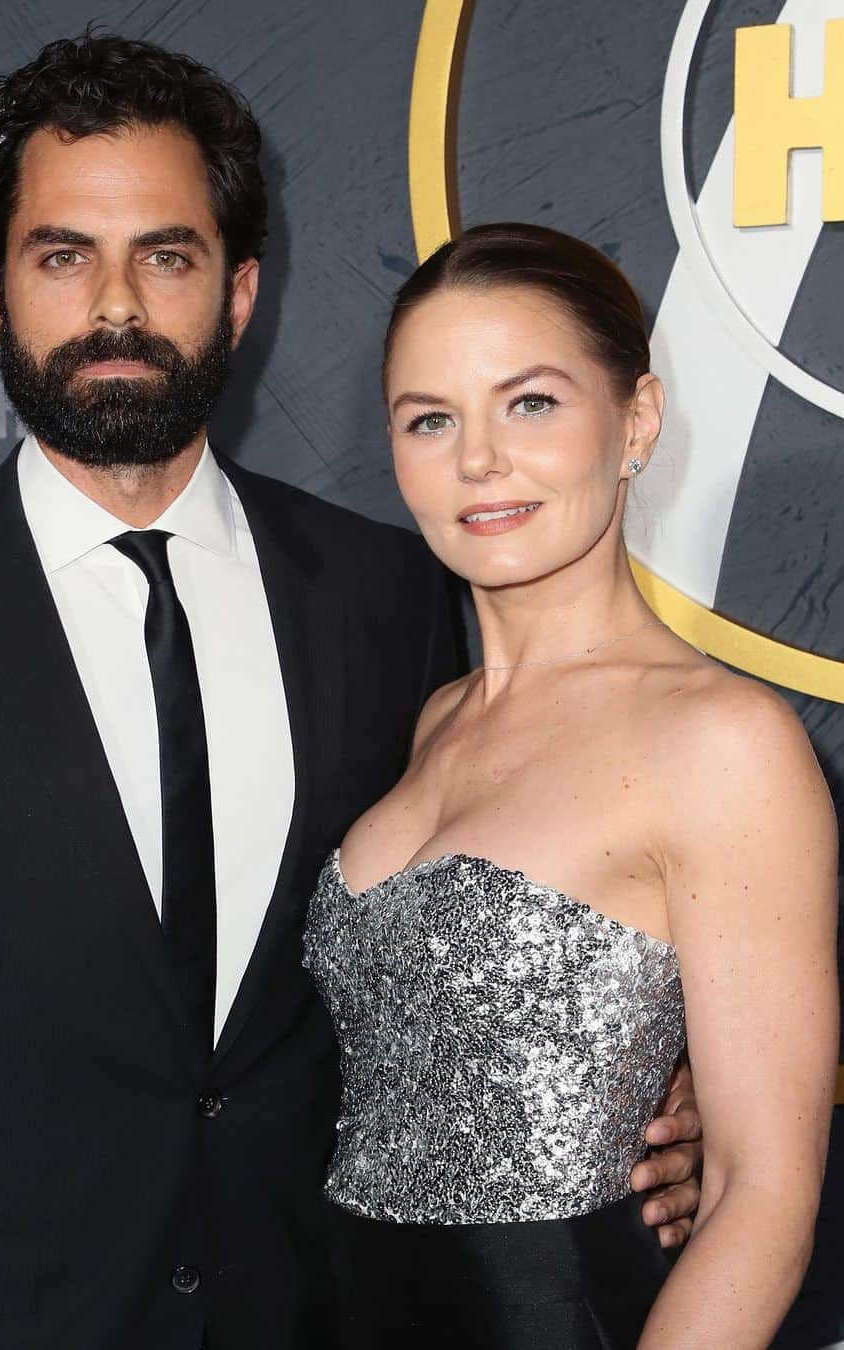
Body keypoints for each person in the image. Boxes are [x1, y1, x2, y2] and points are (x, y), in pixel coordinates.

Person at [0, 36, 701, 1350]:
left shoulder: (393, 598)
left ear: (241, 291)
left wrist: (677, 1077)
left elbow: (534, 898)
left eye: (168, 253)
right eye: (60, 255)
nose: (115, 305)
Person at [303, 222, 839, 1349]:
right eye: (430, 420)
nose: (479, 460)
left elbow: (761, 1193)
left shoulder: (724, 740)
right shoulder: (437, 719)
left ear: (635, 420)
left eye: (531, 403)